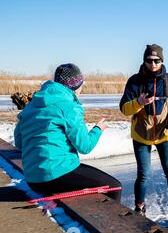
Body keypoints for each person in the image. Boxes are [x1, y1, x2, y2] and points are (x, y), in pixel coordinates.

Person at [14, 64, 121, 201]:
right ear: (76, 87)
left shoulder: (31, 106)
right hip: (56, 176)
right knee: (115, 186)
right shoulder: (69, 106)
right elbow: (85, 146)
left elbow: (19, 142)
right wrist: (98, 129)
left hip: (32, 180)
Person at [119, 44, 168, 233]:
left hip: (164, 134)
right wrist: (139, 103)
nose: (153, 64)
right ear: (144, 61)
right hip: (141, 134)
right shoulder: (134, 81)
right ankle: (140, 209)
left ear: (162, 61)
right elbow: (124, 109)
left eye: (157, 60)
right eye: (149, 60)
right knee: (144, 174)